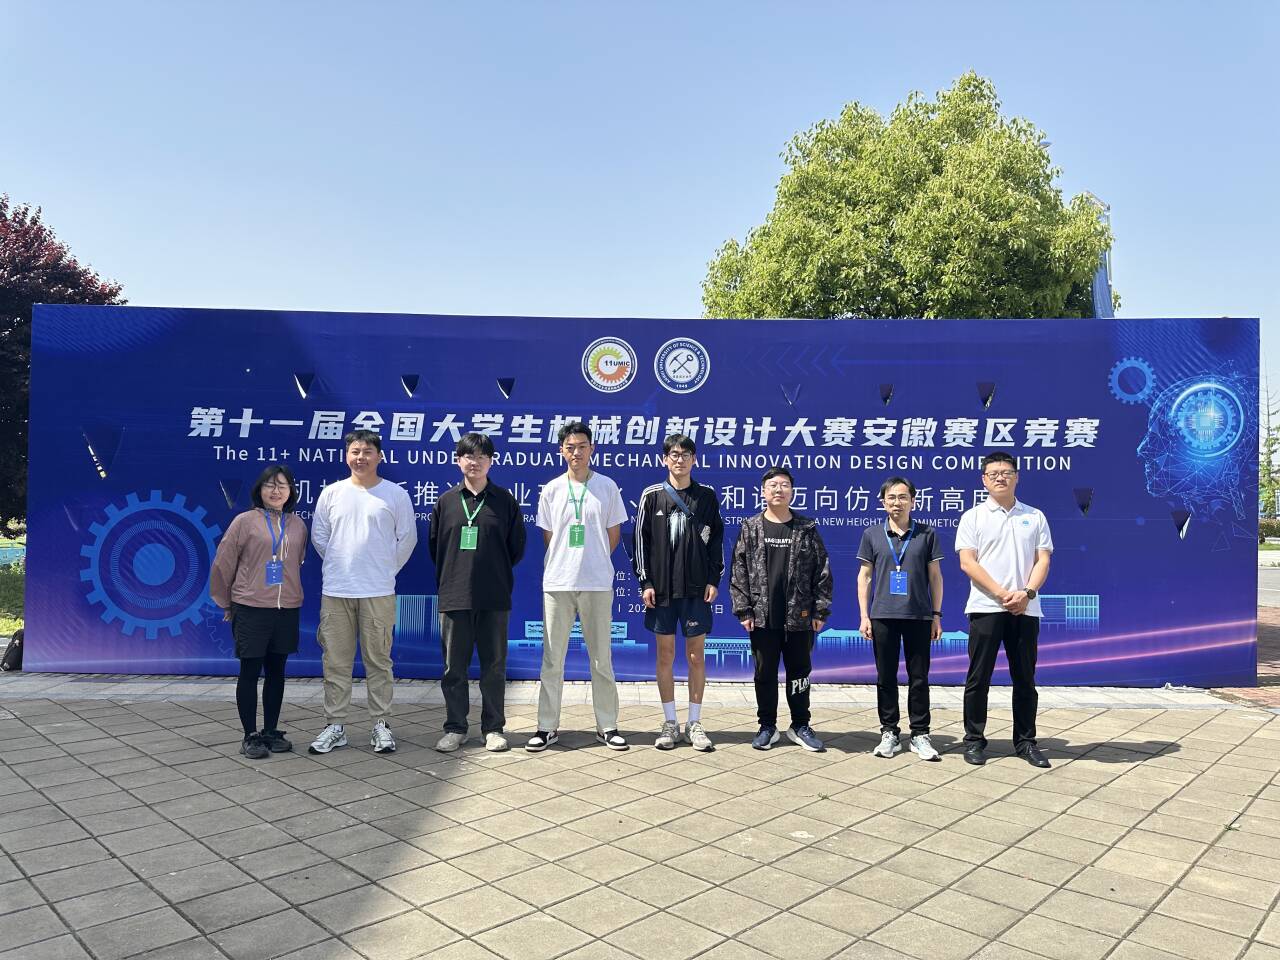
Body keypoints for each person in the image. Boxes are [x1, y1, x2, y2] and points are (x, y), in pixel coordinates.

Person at [308, 429, 418, 755]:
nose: (361, 457)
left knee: (379, 661)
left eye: (367, 452)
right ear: (347, 456)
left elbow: (407, 539)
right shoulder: (332, 493)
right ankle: (335, 725)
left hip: (378, 591)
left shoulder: (395, 495)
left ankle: (381, 724)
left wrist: (384, 570)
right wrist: (341, 565)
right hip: (337, 591)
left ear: (379, 456)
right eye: (355, 451)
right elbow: (320, 537)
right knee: (335, 662)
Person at [528, 422, 629, 752]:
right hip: (558, 582)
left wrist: (591, 560)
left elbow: (613, 536)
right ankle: (546, 727)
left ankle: (607, 726)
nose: (576, 453)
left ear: (592, 449)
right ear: (561, 451)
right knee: (552, 660)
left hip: (597, 583)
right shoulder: (552, 489)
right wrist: (570, 561)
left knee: (601, 659)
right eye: (570, 447)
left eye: (582, 446)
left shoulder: (607, 487)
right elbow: (549, 536)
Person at [428, 433, 526, 753]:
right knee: (453, 669)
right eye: (469, 456)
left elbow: (516, 547)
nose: (475, 462)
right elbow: (435, 547)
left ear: (491, 461)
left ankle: (493, 728)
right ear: (458, 460)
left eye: (482, 456)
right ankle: (455, 727)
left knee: (494, 667)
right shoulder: (446, 502)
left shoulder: (505, 501)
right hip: (454, 595)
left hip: (494, 596)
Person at [956, 453, 1053, 768]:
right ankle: (974, 741)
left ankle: (1025, 742)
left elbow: (1043, 560)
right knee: (978, 678)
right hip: (986, 607)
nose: (1000, 477)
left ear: (1017, 476)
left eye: (1007, 472)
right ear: (984, 479)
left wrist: (1027, 593)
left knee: (1025, 679)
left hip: (1025, 609)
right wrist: (1001, 594)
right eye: (993, 473)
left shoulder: (1035, 516)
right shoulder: (973, 517)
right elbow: (967, 562)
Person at [729, 467, 832, 752]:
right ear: (763, 492)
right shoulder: (751, 527)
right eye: (773, 485)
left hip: (800, 616)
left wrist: (820, 610)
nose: (778, 490)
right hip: (762, 616)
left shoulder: (806, 527)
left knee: (800, 672)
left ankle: (800, 725)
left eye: (784, 485)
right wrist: (744, 610)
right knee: (764, 673)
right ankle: (767, 726)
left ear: (792, 491)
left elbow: (822, 570)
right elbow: (739, 570)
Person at [633, 434, 725, 751]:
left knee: (696, 656)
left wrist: (713, 579)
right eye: (674, 454)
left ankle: (694, 723)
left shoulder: (706, 496)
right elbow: (640, 543)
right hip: (661, 591)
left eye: (686, 454)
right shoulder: (652, 496)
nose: (680, 459)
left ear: (694, 459)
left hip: (696, 590)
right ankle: (670, 722)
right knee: (666, 655)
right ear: (664, 459)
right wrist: (646, 582)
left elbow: (717, 541)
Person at [210, 465, 308, 759]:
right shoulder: (244, 522)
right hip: (251, 606)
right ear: (259, 490)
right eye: (269, 485)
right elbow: (223, 563)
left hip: (286, 608)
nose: (276, 491)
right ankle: (250, 735)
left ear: (291, 491)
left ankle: (270, 730)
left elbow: (297, 561)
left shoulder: (298, 525)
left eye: (282, 486)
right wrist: (225, 602)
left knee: (277, 672)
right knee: (250, 671)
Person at [856, 477, 944, 762]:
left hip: (918, 615)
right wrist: (864, 616)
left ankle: (920, 733)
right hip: (883, 615)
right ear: (883, 502)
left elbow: (935, 577)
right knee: (886, 677)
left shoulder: (927, 534)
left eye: (903, 497)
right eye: (891, 497)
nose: (897, 503)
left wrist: (936, 615)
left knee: (919, 677)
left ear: (913, 501)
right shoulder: (872, 534)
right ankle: (889, 732)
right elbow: (864, 577)